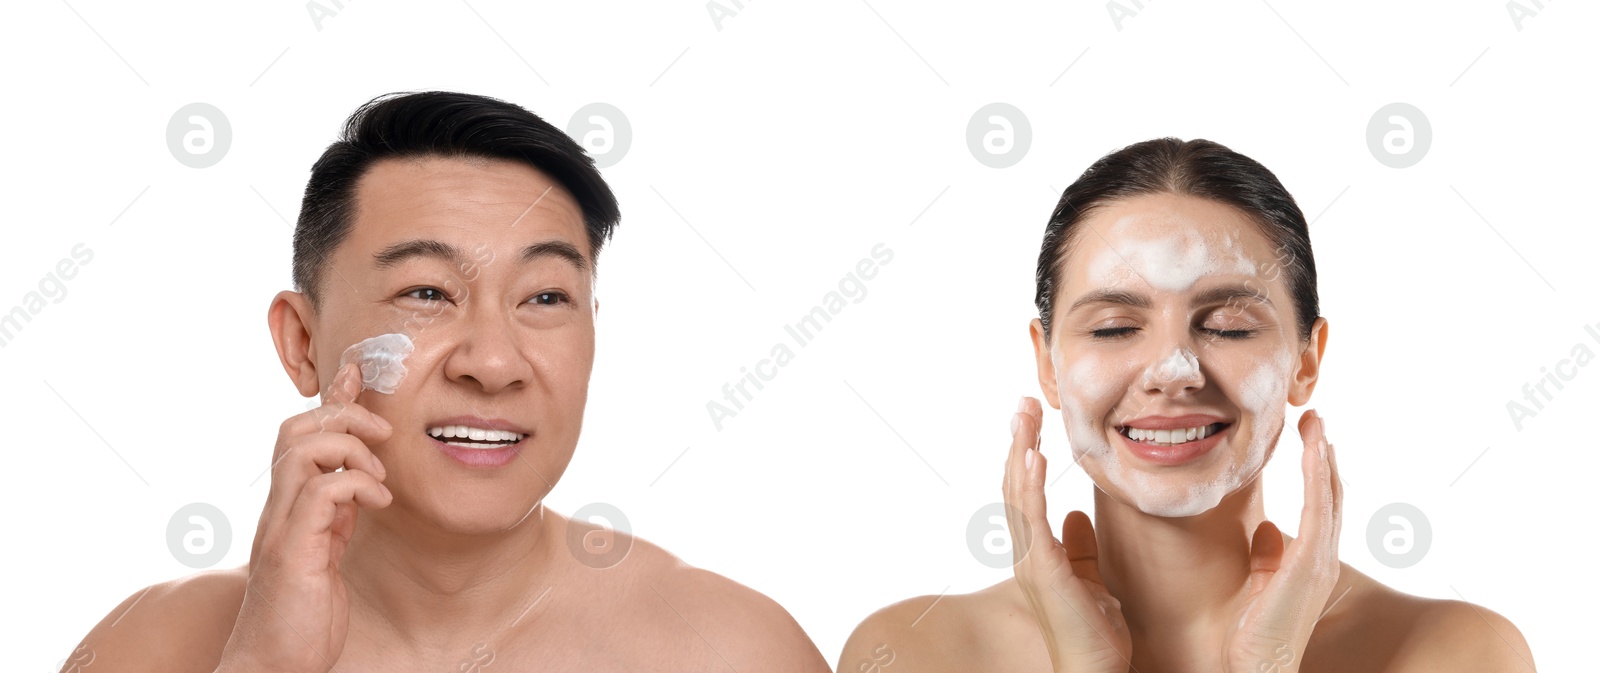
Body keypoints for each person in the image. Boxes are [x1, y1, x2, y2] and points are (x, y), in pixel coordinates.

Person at [67, 91, 829, 672]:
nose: (493, 363)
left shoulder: (733, 650)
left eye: (545, 297)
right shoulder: (152, 646)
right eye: (428, 292)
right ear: (302, 342)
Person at [840, 138, 1535, 672]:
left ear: (1306, 360)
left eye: (1229, 326)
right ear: (1047, 364)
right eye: (1114, 327)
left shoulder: (1454, 653)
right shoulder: (915, 652)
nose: (1173, 370)